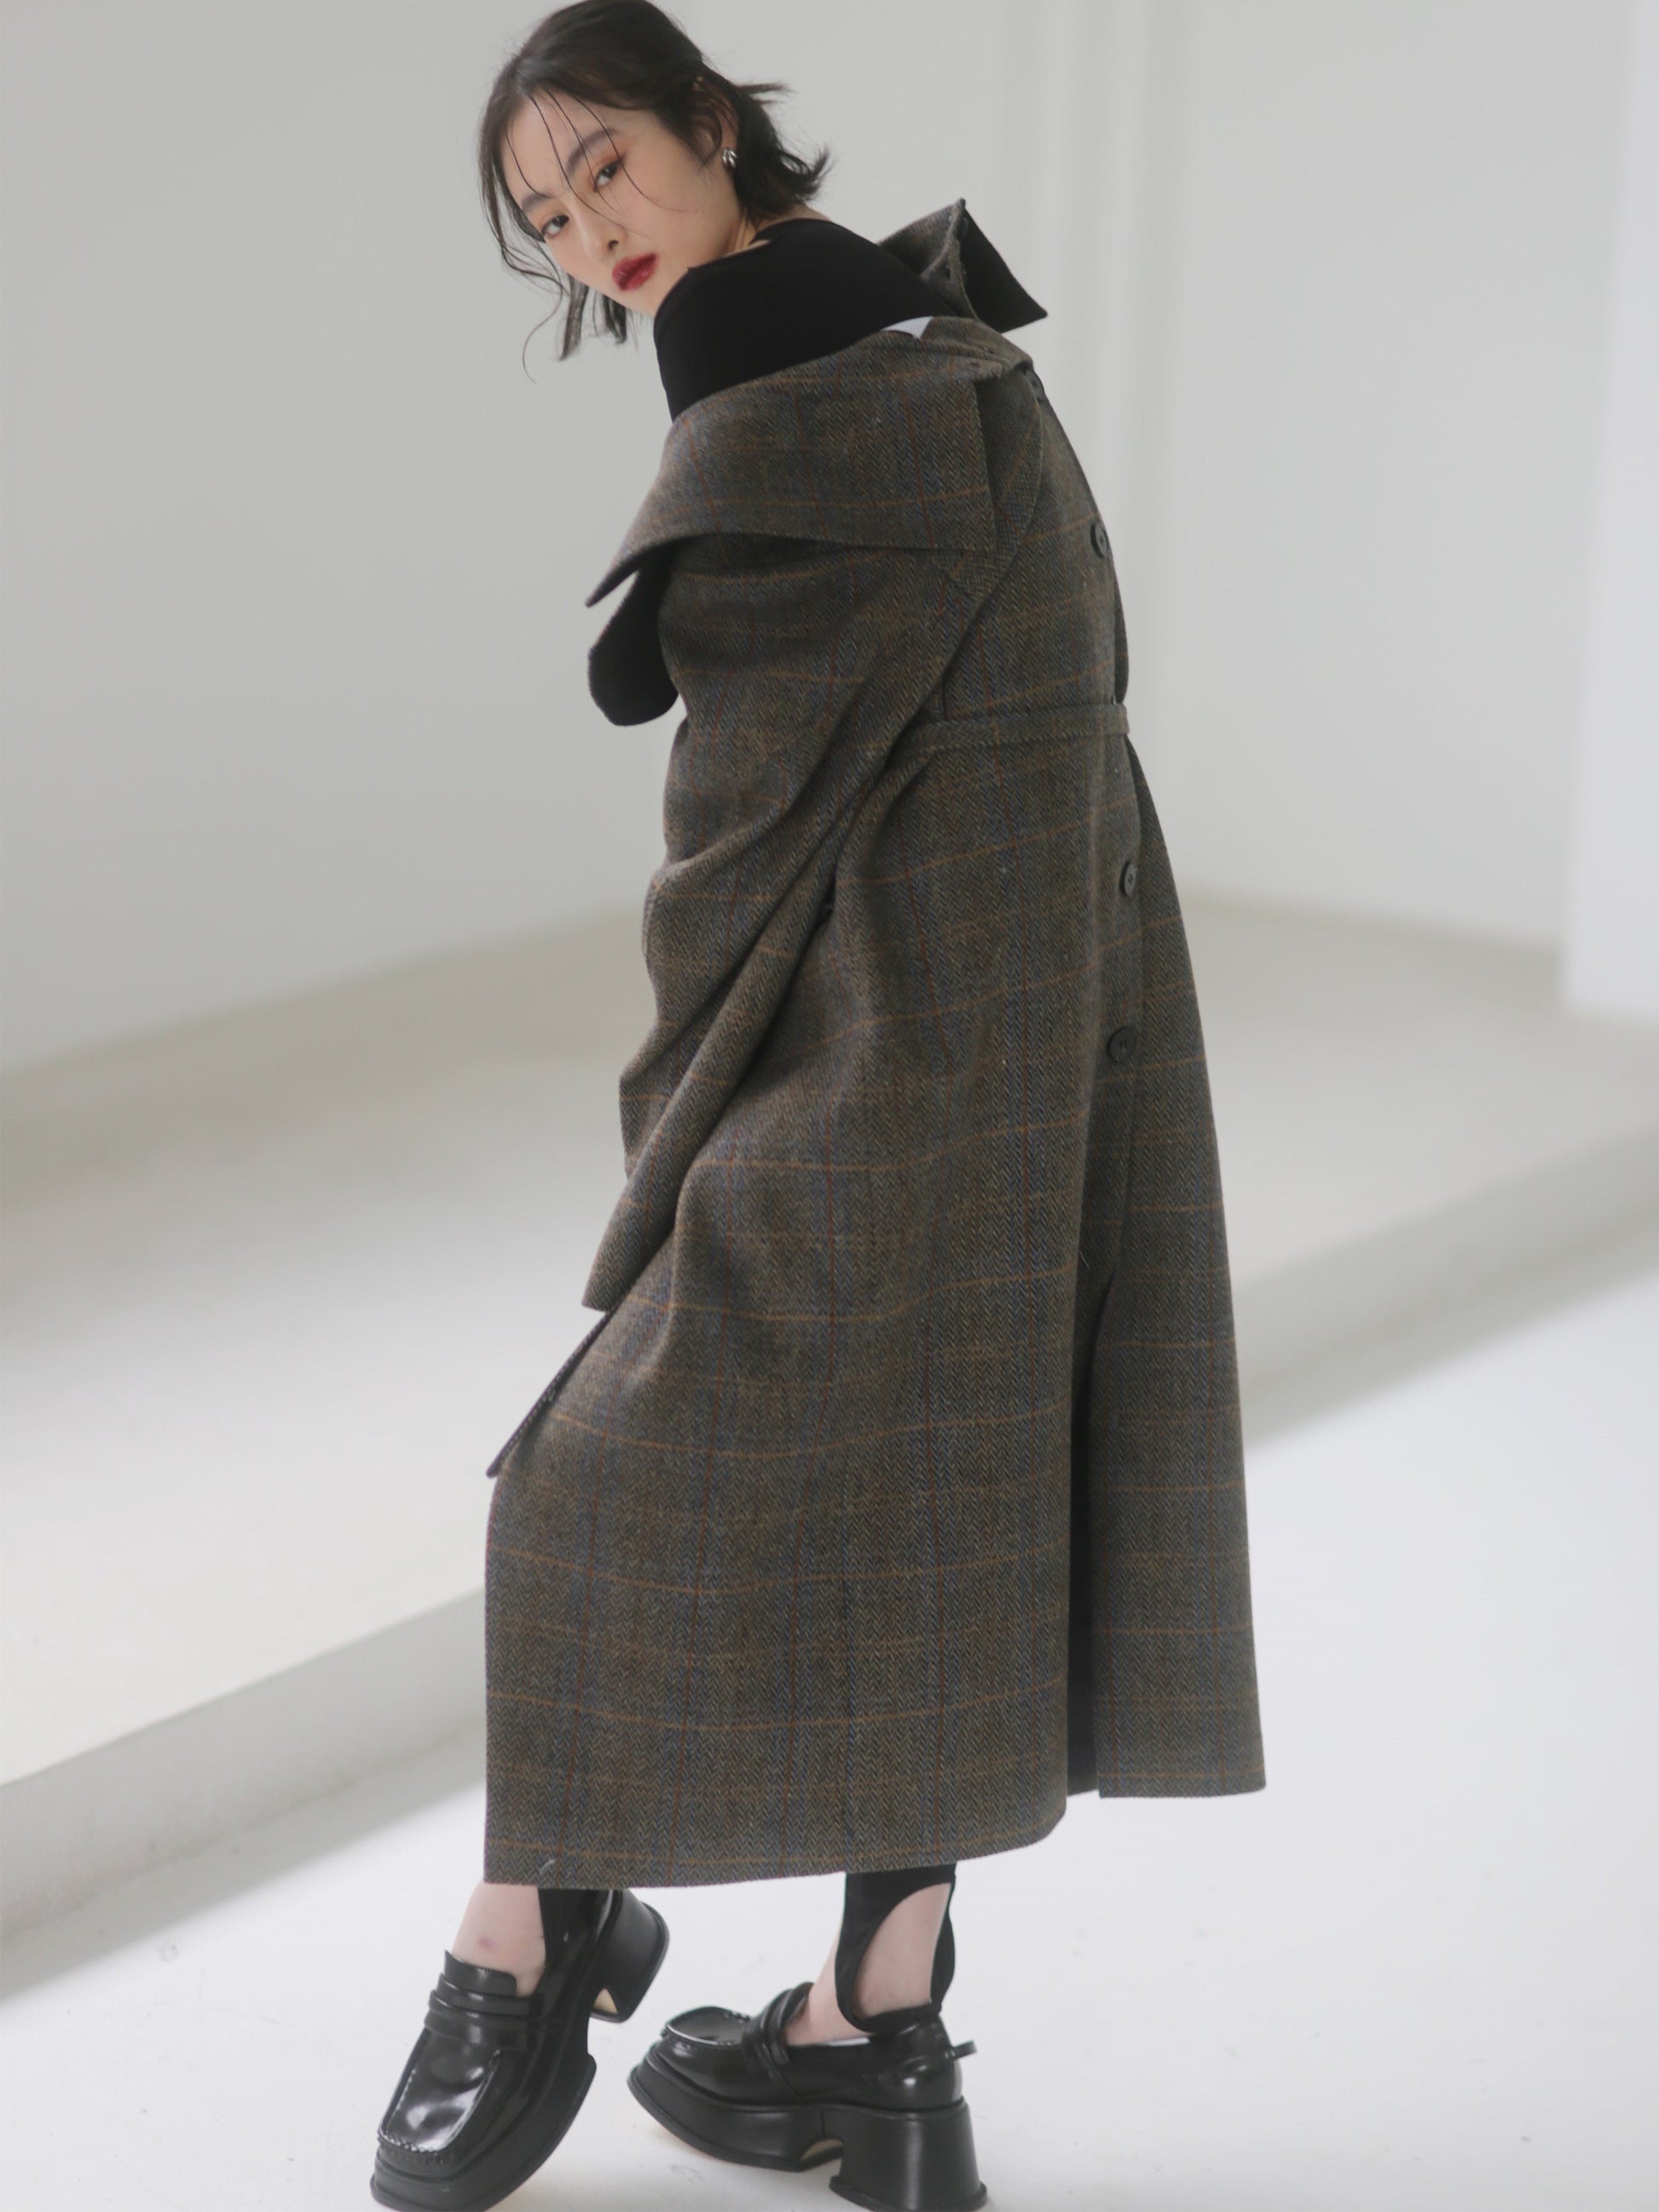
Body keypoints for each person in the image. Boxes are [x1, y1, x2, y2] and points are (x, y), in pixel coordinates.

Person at [371, 5, 1264, 2209]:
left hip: (895, 1005)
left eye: (604, 165)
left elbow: (742, 801)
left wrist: (682, 1090)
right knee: (959, 1482)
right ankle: (877, 2035)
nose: (591, 232)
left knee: (580, 1480)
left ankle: (533, 1919)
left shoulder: (750, 346)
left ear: (709, 123)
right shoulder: (914, 317)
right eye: (544, 216)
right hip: (1053, 975)